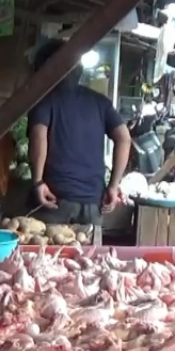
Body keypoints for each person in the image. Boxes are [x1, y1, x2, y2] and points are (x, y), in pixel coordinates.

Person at [27, 38, 131, 241]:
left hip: (55, 199)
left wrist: (38, 181)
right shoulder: (100, 102)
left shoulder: (45, 100)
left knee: (46, 263)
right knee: (89, 264)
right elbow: (124, 138)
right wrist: (113, 185)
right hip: (93, 202)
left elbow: (39, 136)